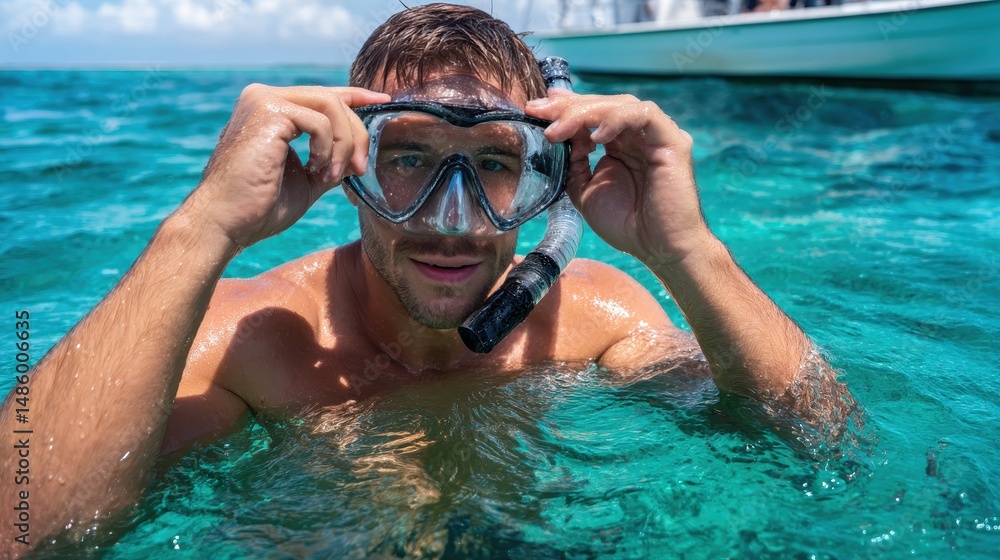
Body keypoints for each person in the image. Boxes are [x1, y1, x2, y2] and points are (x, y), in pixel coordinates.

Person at [0, 3, 855, 554]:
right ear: (343, 164)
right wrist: (199, 232)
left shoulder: (593, 316)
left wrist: (690, 252)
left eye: (492, 164)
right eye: (406, 157)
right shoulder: (250, 341)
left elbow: (827, 453)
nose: (452, 218)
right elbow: (27, 528)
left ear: (547, 179)